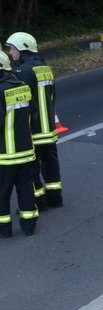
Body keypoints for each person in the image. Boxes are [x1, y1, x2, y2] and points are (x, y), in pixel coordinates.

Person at [6, 32, 62, 207]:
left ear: (21, 49)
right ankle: (55, 198)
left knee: (31, 170)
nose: (10, 53)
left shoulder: (23, 71)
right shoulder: (45, 68)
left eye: (12, 49)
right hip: (49, 129)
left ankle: (39, 201)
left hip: (34, 129)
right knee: (51, 163)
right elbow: (52, 96)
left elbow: (25, 103)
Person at [0, 50, 39, 237]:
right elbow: (32, 112)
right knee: (25, 190)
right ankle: (29, 225)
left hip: (5, 155)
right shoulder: (22, 85)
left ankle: (4, 229)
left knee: (2, 193)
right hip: (26, 151)